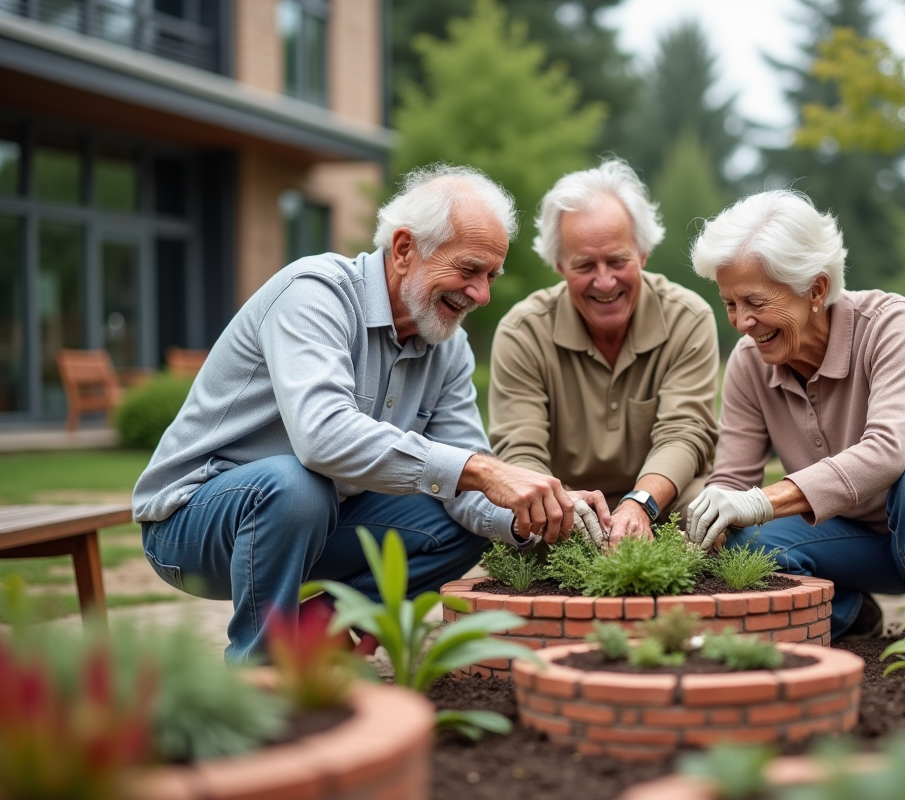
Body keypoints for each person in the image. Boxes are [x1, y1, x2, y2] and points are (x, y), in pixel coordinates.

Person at [133, 165, 608, 662]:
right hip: (191, 526)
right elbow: (322, 437)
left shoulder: (448, 348)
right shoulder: (315, 293)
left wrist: (534, 513)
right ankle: (258, 673)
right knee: (298, 485)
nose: (482, 294)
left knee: (464, 521)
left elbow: (468, 483)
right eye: (468, 270)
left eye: (490, 276)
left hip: (317, 520)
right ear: (404, 249)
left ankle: (315, 642)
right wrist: (482, 471)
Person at [684, 190, 905, 639]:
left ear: (816, 288)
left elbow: (890, 452)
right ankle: (849, 613)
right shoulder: (749, 363)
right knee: (744, 543)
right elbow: (731, 479)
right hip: (869, 540)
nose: (741, 322)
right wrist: (715, 516)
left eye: (755, 302)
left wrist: (759, 502)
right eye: (730, 303)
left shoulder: (893, 324)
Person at [488, 160, 719, 544]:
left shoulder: (688, 317)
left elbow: (684, 433)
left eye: (617, 260)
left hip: (661, 502)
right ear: (559, 264)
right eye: (584, 265)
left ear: (643, 253)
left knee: (708, 516)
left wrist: (639, 504)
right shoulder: (522, 330)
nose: (605, 281)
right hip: (564, 510)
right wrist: (565, 509)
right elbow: (520, 448)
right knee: (507, 525)